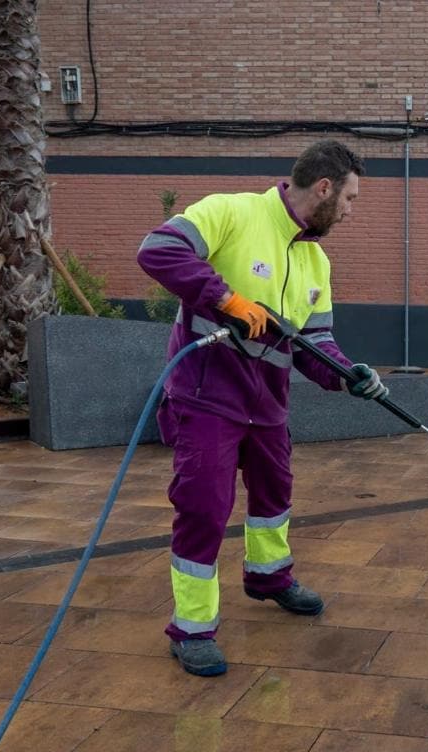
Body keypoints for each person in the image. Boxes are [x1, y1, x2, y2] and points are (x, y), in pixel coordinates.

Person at [136, 140, 388, 677]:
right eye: (350, 199)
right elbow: (157, 250)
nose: (349, 210)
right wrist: (225, 300)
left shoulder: (315, 260)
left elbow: (315, 346)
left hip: (267, 401)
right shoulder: (231, 212)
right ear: (324, 188)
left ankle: (268, 577)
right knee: (204, 508)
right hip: (208, 398)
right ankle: (192, 629)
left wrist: (352, 377)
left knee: (274, 495)